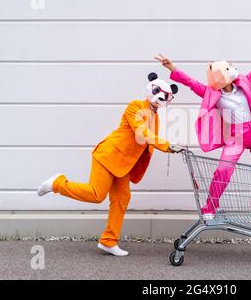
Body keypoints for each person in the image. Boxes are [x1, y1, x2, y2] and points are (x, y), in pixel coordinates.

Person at [36, 72, 182, 256]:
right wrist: (167, 145)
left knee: (122, 199)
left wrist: (170, 148)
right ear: (150, 89)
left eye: (167, 96)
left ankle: (108, 241)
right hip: (108, 156)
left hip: (124, 166)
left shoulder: (156, 117)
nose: (161, 97)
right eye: (158, 92)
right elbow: (142, 133)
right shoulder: (136, 106)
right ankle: (57, 183)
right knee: (96, 195)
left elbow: (146, 144)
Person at [155, 39, 251, 220]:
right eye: (228, 68)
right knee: (223, 171)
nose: (232, 69)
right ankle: (210, 207)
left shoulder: (245, 81)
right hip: (236, 136)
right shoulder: (212, 93)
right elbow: (190, 82)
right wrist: (172, 68)